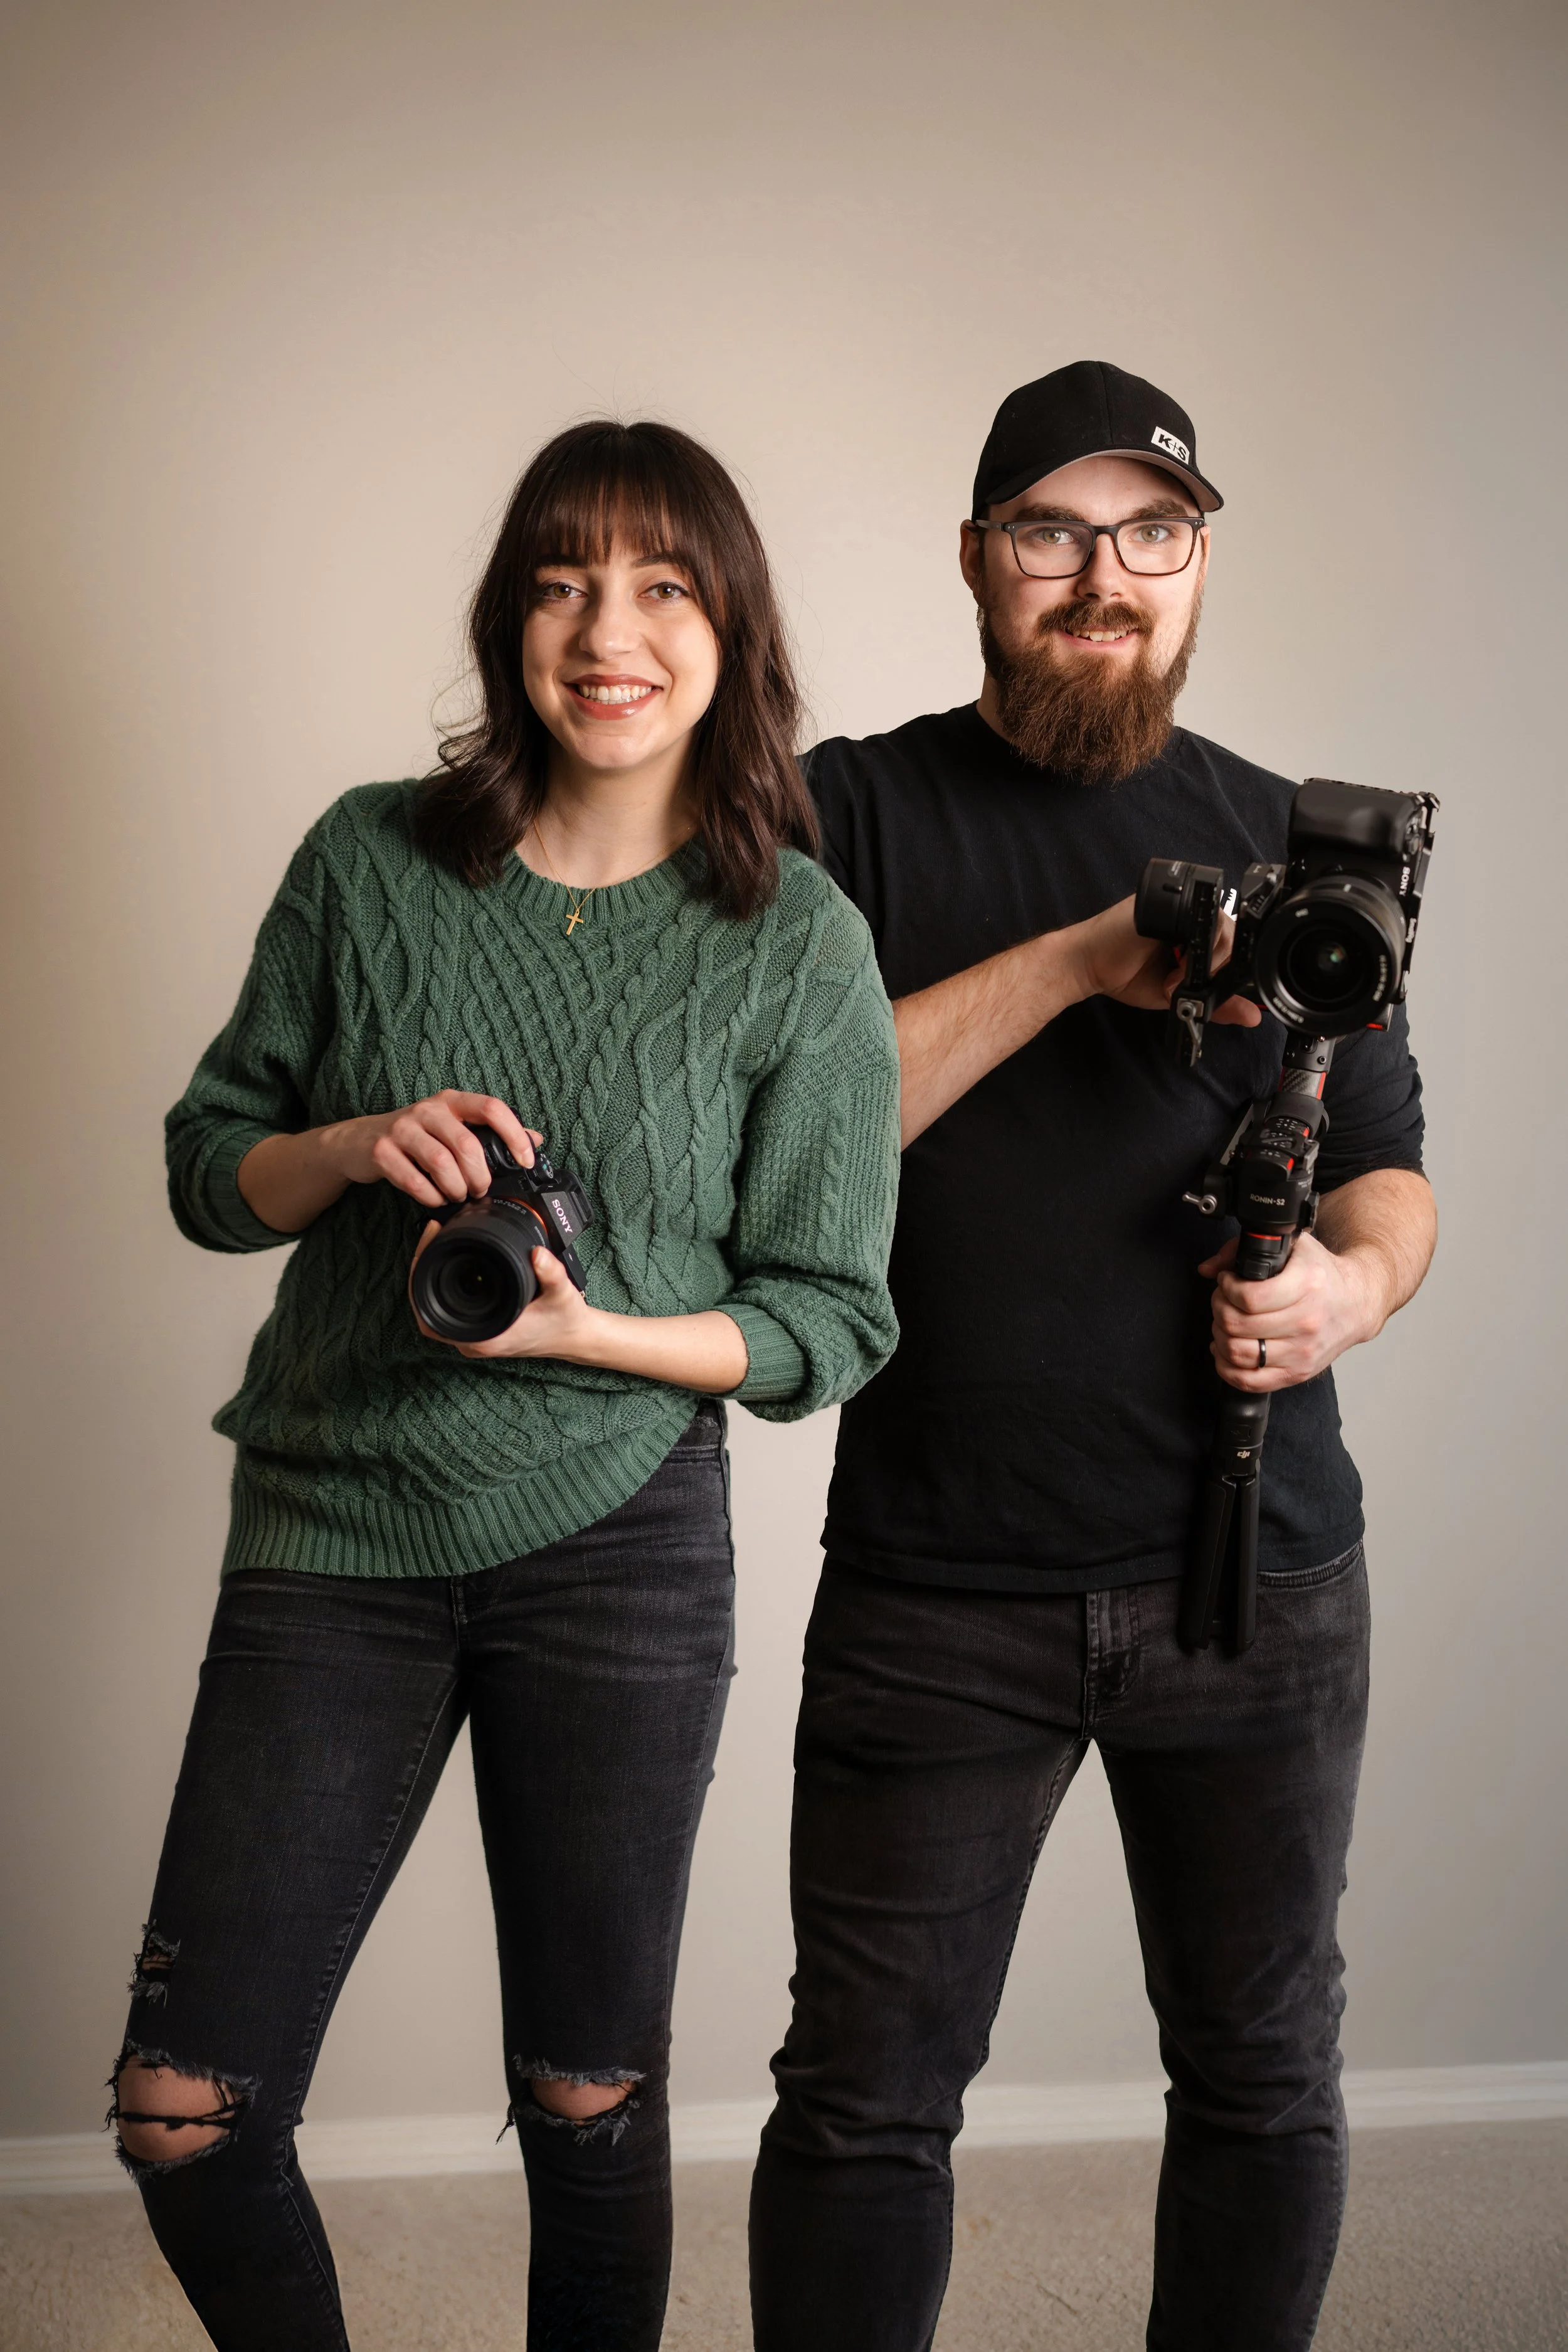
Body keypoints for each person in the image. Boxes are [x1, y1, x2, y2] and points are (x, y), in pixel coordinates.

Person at [109, 419, 901, 2352]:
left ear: (730, 629)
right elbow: (209, 1166)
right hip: (334, 1520)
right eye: (561, 584)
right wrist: (350, 1142)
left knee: (586, 2096)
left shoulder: (794, 942)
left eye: (660, 587)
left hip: (622, 1544)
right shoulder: (366, 859)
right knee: (185, 2110)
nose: (606, 633)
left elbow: (826, 1319)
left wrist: (585, 1332)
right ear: (507, 621)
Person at [749, 360, 1437, 2352]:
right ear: (977, 557)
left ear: (1197, 560)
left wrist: (1345, 1292)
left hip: (1257, 1572)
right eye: (1051, 530)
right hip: (936, 1581)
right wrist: (1072, 963)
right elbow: (778, 1130)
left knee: (1259, 2072)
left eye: (1150, 532)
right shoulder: (842, 817)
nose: (1101, 574)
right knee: (865, 2100)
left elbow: (1390, 1176)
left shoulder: (1292, 839)